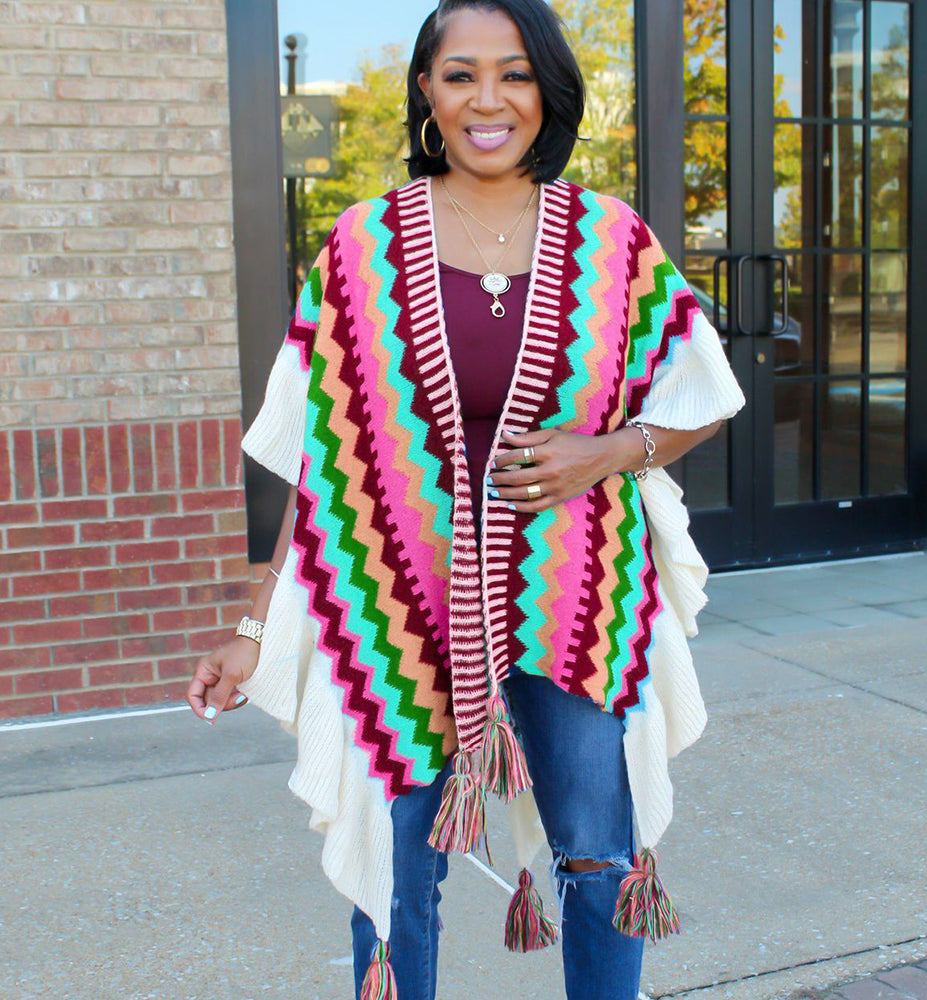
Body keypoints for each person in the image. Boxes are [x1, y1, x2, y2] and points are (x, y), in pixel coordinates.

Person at [186, 2, 746, 998]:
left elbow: (702, 396)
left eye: (515, 74)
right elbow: (319, 458)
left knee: (595, 846)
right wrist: (252, 622)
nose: (488, 99)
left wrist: (607, 450)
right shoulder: (360, 247)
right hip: (397, 600)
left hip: (574, 590)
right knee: (400, 868)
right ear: (426, 93)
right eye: (460, 75)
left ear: (548, 92)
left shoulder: (612, 240)